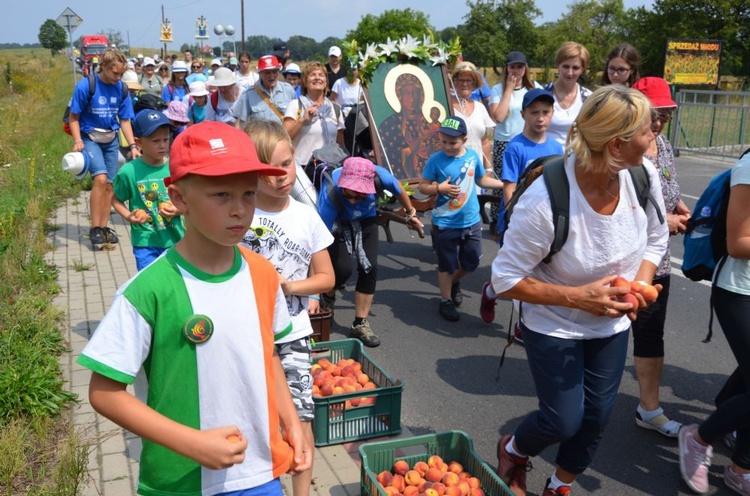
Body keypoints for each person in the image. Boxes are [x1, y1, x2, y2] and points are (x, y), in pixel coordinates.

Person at [77, 121, 313, 496]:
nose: (239, 210)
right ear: (180, 198)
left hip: (259, 472)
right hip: (181, 481)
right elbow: (105, 392)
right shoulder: (147, 291)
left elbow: (268, 354)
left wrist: (292, 424)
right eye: (221, 195)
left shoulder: (264, 274)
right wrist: (192, 443)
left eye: (249, 194)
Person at [490, 85, 668, 496]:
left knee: (597, 417)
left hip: (610, 327)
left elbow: (657, 240)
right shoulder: (545, 200)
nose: (654, 134)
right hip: (554, 324)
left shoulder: (642, 175)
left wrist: (638, 285)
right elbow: (504, 279)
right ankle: (514, 449)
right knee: (563, 420)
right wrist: (576, 297)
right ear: (617, 144)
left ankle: (558, 486)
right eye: (648, 129)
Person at [241, 118, 335, 496]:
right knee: (255, 418)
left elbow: (326, 277)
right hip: (248, 335)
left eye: (286, 164)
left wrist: (290, 286)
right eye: (268, 170)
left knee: (299, 420)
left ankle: (301, 491)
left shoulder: (305, 215)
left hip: (293, 335)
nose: (281, 176)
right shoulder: (241, 215)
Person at [677, 151, 750, 495]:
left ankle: (740, 468)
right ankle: (698, 437)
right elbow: (738, 243)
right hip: (740, 291)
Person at [628, 76, 691, 438]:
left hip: (658, 260)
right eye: (655, 114)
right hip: (621, 261)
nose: (659, 121)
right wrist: (661, 220)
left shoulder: (662, 144)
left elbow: (667, 186)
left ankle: (648, 408)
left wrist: (679, 208)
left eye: (666, 113)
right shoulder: (620, 149)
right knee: (607, 331)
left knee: (651, 333)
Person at [317, 157, 424, 347]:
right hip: (337, 222)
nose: (353, 200)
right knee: (341, 270)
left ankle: (360, 323)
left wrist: (410, 214)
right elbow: (318, 243)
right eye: (349, 195)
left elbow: (399, 189)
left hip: (367, 219)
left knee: (370, 267)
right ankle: (328, 296)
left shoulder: (381, 177)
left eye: (360, 196)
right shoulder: (331, 194)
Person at [479, 89, 562, 329]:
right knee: (515, 271)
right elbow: (509, 187)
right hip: (518, 219)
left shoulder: (557, 148)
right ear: (523, 114)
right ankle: (491, 292)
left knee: (537, 274)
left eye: (546, 112)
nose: (540, 118)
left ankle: (522, 324)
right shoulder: (516, 147)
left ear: (552, 114)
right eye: (534, 112)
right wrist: (514, 217)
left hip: (547, 222)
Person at [418, 116, 503, 321]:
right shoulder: (435, 160)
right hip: (445, 222)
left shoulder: (473, 156)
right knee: (447, 264)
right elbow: (422, 186)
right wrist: (439, 188)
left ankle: (455, 281)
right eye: (444, 142)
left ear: (464, 140)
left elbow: (481, 179)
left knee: (472, 262)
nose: (447, 146)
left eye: (453, 142)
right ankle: (445, 300)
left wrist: (505, 185)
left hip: (471, 220)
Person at [68, 48, 139, 249]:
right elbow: (73, 117)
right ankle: (94, 228)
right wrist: (77, 140)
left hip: (110, 138)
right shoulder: (87, 86)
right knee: (99, 179)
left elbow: (124, 119)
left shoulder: (122, 89)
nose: (118, 77)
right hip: (89, 137)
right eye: (114, 73)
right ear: (105, 67)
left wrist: (133, 145)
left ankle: (104, 226)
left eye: (121, 74)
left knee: (110, 184)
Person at [112, 110, 184, 271]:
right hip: (145, 243)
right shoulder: (129, 172)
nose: (163, 145)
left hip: (177, 240)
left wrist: (178, 210)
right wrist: (129, 216)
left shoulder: (176, 168)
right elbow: (116, 200)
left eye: (166, 139)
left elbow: (190, 202)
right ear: (139, 142)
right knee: (149, 282)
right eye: (155, 141)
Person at [488, 51, 541, 230]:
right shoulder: (498, 89)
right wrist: (509, 89)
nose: (516, 71)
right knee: (503, 183)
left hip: (526, 141)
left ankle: (523, 217)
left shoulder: (533, 88)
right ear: (507, 68)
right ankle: (498, 219)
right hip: (505, 142)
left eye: (520, 67)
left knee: (526, 180)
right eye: (513, 67)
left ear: (525, 68)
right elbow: (499, 117)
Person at [379, 72, 442, 178]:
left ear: (421, 95)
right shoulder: (389, 125)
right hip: (403, 180)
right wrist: (417, 143)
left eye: (415, 92)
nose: (411, 98)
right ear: (399, 96)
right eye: (406, 93)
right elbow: (389, 155)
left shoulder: (429, 122)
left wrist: (437, 147)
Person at [283, 62, 345, 169]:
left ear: (326, 82)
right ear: (305, 82)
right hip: (303, 167)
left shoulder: (334, 109)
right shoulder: (295, 105)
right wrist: (303, 121)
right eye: (312, 75)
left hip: (330, 167)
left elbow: (340, 142)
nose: (317, 78)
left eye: (321, 75)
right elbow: (283, 138)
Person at [450, 61, 495, 176]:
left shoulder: (480, 108)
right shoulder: (447, 106)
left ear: (474, 84)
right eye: (461, 80)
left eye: (468, 80)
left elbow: (484, 142)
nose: (464, 84)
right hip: (452, 171)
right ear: (454, 82)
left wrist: (488, 170)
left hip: (476, 172)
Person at [544, 42, 592, 146]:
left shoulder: (589, 98)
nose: (570, 73)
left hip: (576, 157)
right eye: (566, 66)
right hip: (547, 158)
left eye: (575, 68)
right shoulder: (542, 94)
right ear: (558, 65)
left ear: (582, 69)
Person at [231, 55, 296, 127]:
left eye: (274, 72)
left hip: (283, 137)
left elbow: (296, 119)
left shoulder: (288, 90)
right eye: (267, 73)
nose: (272, 76)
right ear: (260, 73)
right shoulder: (248, 95)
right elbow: (240, 124)